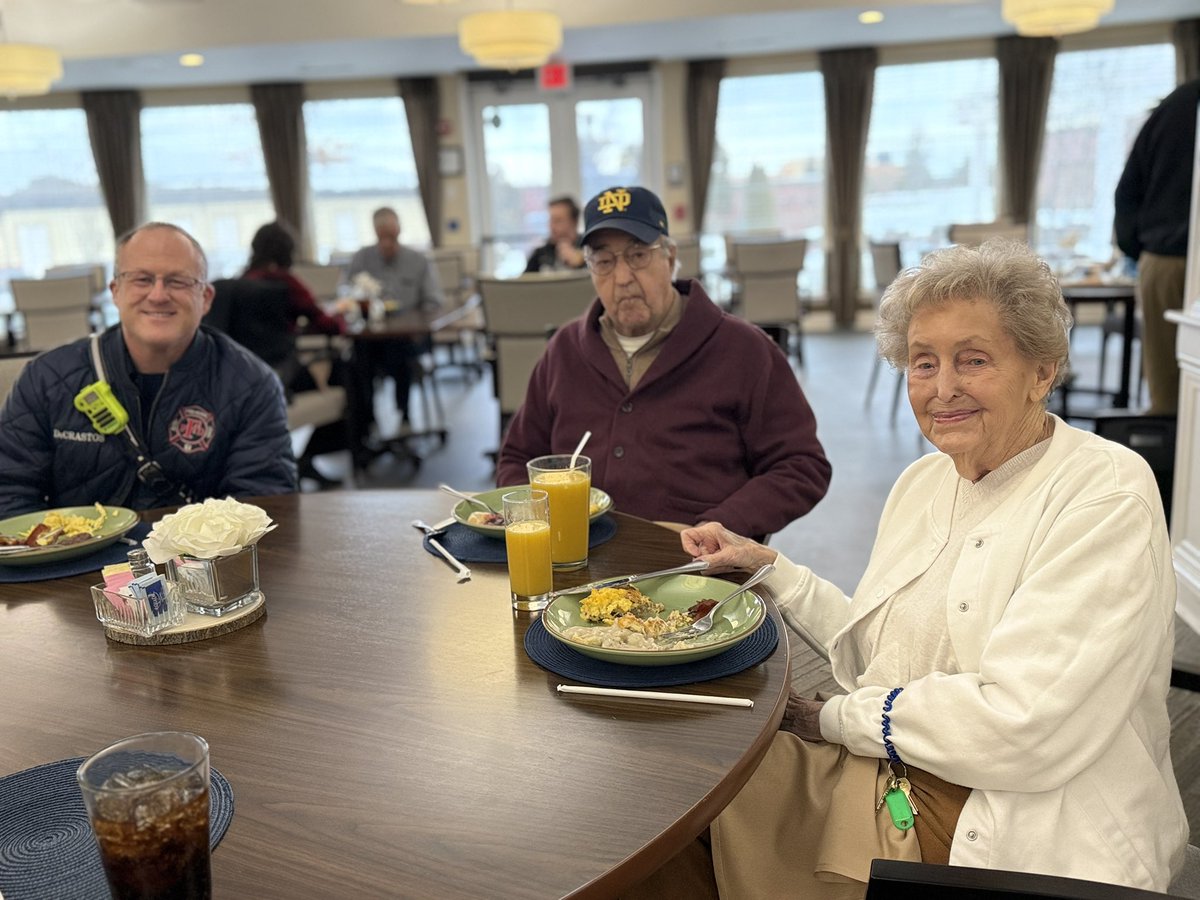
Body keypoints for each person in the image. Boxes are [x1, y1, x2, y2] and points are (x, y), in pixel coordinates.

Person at [636, 240, 1187, 897]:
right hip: (899, 771)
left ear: (1042, 370)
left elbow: (1021, 728)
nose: (943, 388)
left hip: (1014, 828)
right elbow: (884, 656)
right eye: (923, 363)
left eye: (973, 360)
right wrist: (772, 568)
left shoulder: (1103, 493)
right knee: (668, 784)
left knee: (680, 830)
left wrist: (831, 720)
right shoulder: (926, 482)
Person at [497, 185, 831, 539]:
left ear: (670, 258)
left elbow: (801, 465)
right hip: (579, 566)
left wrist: (723, 525)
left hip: (697, 574)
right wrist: (544, 526)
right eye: (604, 261)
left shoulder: (742, 350)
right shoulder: (565, 351)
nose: (622, 278)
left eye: (638, 255)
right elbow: (518, 457)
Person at [0, 222, 298, 515]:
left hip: (202, 562)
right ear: (116, 291)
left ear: (205, 298)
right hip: (75, 562)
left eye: (178, 281)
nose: (158, 295)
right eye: (142, 279)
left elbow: (261, 509)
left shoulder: (252, 385)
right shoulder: (46, 378)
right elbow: (9, 495)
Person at [1114, 77, 1200, 415]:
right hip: (1167, 254)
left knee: (1166, 387)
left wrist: (1139, 251)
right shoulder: (1180, 104)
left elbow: (1127, 190)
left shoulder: (1175, 104)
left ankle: (1167, 462)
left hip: (1163, 258)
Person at [242, 220, 348, 488]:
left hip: (246, 383)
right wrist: (341, 318)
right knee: (347, 374)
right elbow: (326, 324)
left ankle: (305, 462)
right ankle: (315, 457)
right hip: (283, 381)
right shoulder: (284, 284)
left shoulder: (240, 282)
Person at [346, 207, 443, 437]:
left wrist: (416, 319)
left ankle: (404, 414)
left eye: (392, 235)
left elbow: (433, 301)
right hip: (372, 337)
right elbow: (347, 294)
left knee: (400, 351)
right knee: (356, 357)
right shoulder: (362, 259)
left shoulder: (418, 261)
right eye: (383, 236)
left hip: (410, 337)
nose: (388, 242)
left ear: (399, 231)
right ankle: (366, 421)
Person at [524, 195, 586, 274]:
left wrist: (580, 263)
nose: (552, 226)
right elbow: (522, 284)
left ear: (574, 222)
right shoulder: (540, 255)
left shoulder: (589, 249)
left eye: (558, 220)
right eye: (551, 220)